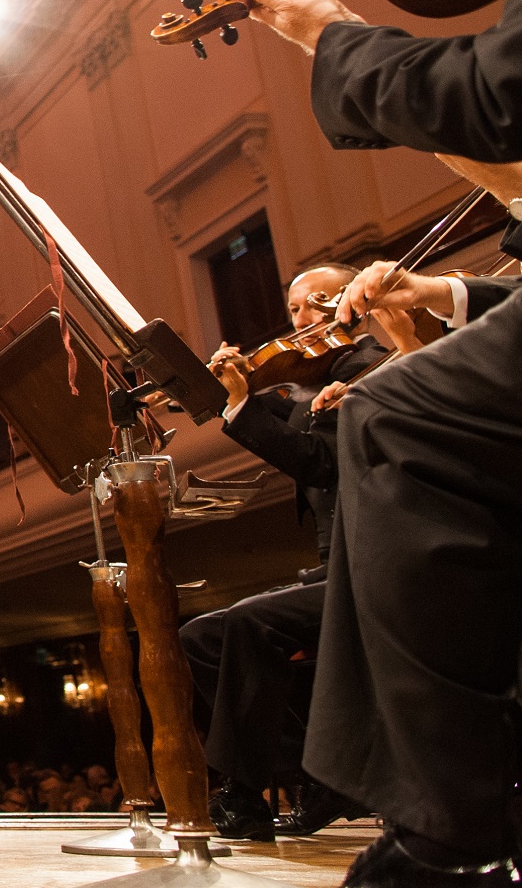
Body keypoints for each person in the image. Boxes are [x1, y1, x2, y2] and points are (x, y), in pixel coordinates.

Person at [241, 0, 522, 885]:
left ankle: (455, 828)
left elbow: (495, 99)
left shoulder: (358, 345)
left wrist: (326, 31)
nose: (305, 323)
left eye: (309, 304)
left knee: (395, 416)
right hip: (349, 546)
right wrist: (447, 293)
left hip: (368, 542)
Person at [186, 263, 411, 840]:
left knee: (249, 625)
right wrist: (232, 398)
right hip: (340, 566)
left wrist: (242, 405)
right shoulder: (309, 387)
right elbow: (297, 437)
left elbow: (321, 462)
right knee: (201, 637)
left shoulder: (368, 367)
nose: (301, 320)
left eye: (317, 303)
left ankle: (247, 790)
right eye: (293, 311)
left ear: (352, 306)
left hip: (384, 567)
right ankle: (323, 770)